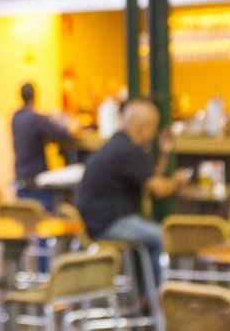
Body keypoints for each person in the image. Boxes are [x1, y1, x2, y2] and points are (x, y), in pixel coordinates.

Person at [74, 99, 189, 283]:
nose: (154, 134)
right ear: (143, 128)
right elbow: (158, 189)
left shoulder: (120, 144)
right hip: (107, 224)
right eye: (154, 127)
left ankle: (149, 296)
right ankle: (160, 298)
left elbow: (148, 177)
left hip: (97, 220)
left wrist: (164, 153)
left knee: (157, 236)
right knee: (166, 237)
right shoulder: (126, 150)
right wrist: (177, 182)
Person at [11, 82, 78, 212]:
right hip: (36, 184)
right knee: (48, 220)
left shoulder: (15, 117)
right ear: (35, 96)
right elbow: (67, 134)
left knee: (26, 225)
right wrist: (73, 122)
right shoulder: (36, 119)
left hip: (20, 180)